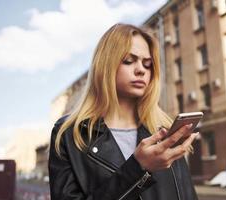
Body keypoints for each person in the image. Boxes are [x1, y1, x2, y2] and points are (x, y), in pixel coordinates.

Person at [48, 23, 198, 200]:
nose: (141, 70)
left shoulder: (164, 130)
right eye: (129, 60)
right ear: (105, 65)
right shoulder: (70, 133)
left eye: (147, 64)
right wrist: (137, 168)